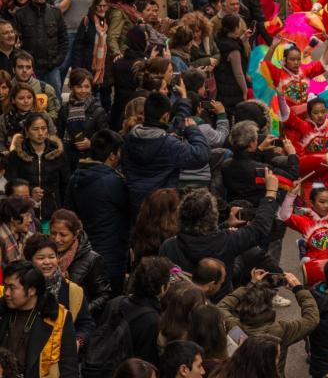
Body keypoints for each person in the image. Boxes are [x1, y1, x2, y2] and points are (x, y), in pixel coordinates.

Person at [158, 173, 280, 301]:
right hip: (220, 306)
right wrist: (271, 193)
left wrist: (225, 225)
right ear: (213, 217)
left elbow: (198, 239)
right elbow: (259, 228)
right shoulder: (226, 241)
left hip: (181, 304)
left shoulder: (169, 246)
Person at [121, 91, 211, 215]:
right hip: (162, 206)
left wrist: (184, 101)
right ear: (166, 116)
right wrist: (192, 130)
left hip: (135, 203)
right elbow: (201, 155)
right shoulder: (168, 144)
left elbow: (170, 128)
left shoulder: (130, 138)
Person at [65, 129, 130, 295]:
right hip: (111, 256)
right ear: (113, 155)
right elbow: (129, 210)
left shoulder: (76, 177)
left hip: (83, 255)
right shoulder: (113, 181)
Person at [216, 270, 319, 373]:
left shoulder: (233, 326)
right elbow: (311, 318)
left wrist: (250, 287)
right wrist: (299, 289)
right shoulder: (281, 330)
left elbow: (221, 307)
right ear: (269, 306)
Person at [0, 261, 78, 378]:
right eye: (5, 286)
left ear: (31, 290)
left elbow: (69, 368)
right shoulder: (2, 310)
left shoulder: (58, 318)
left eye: (12, 288)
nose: (6, 293)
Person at [13, 0, 68, 98]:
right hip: (29, 68)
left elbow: (64, 40)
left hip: (51, 67)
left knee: (55, 99)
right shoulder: (20, 15)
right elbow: (16, 42)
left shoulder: (55, 13)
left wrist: (57, 61)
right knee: (28, 99)